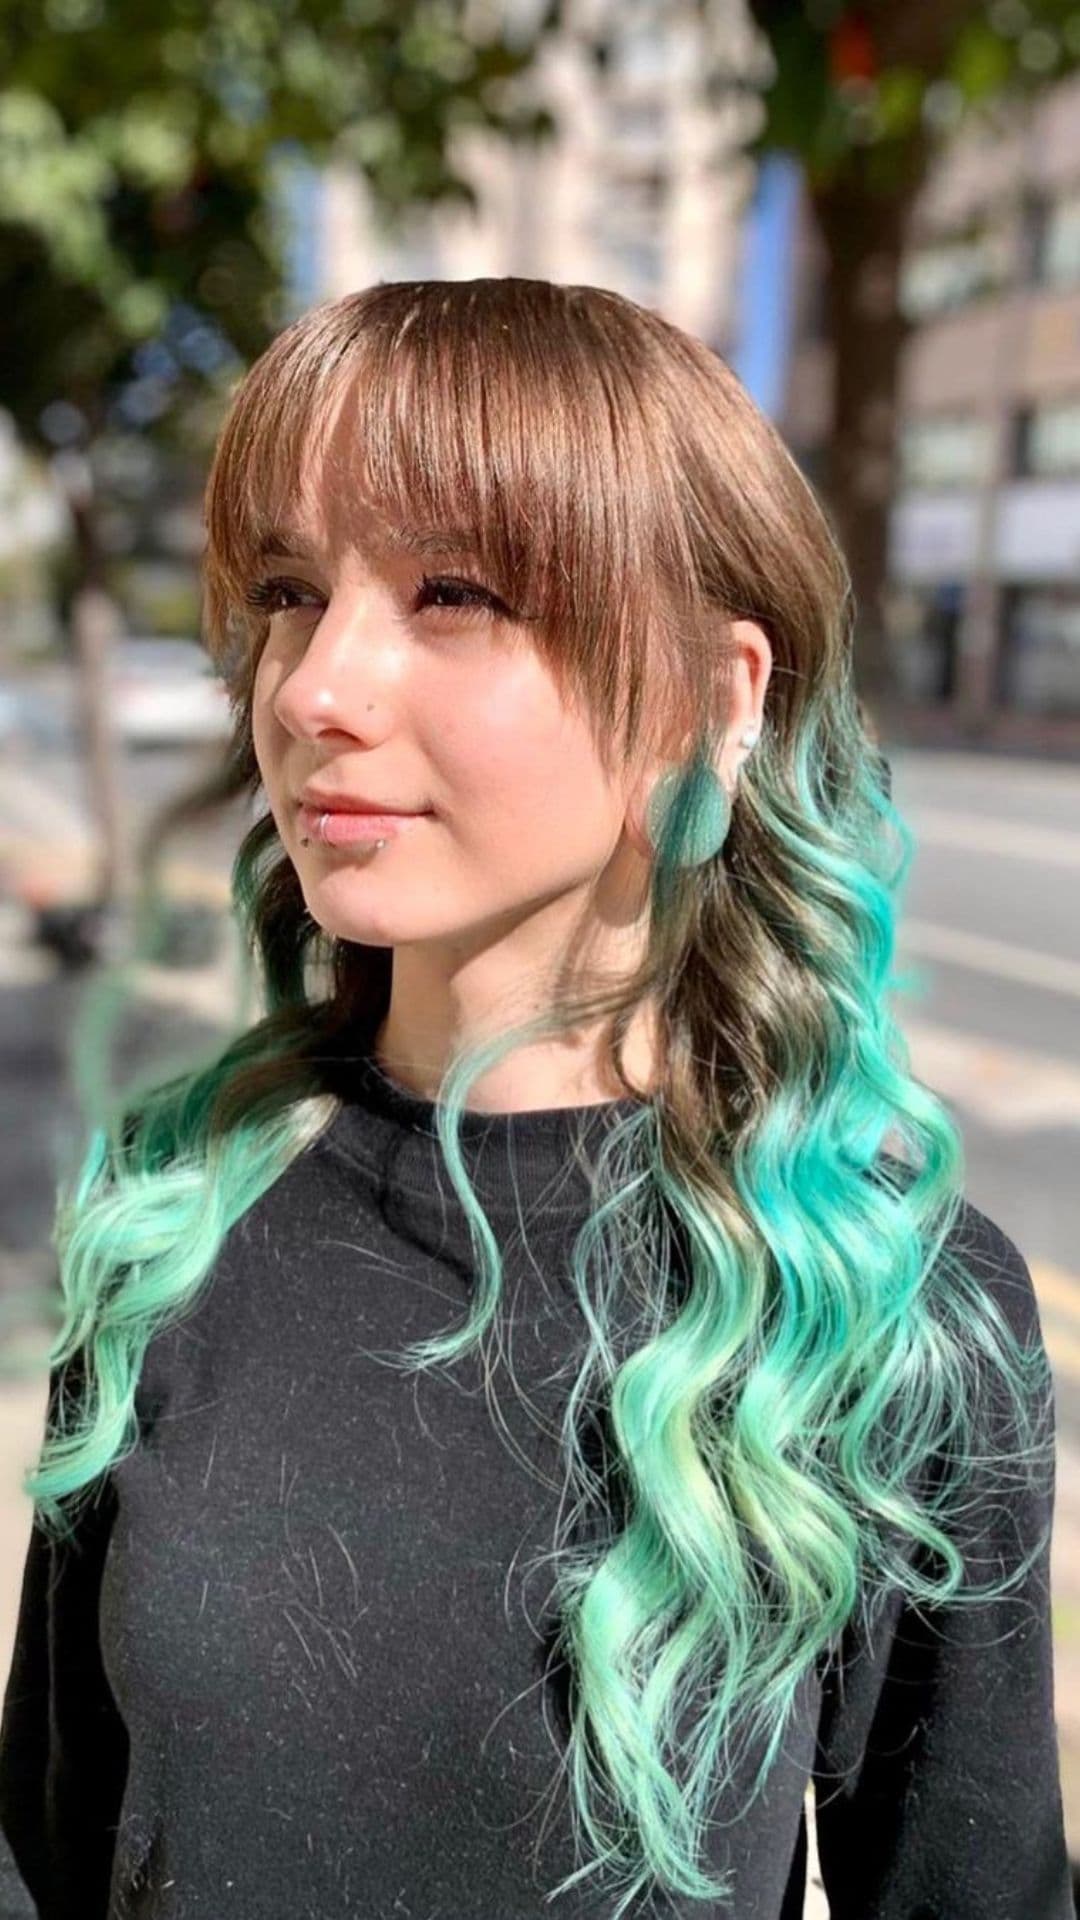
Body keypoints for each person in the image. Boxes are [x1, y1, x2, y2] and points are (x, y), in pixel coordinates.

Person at [0, 277, 1071, 1920]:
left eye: (458, 593)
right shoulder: (174, 1214)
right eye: (290, 591)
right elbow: (51, 1840)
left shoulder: (897, 1315)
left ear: (716, 699)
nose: (312, 688)